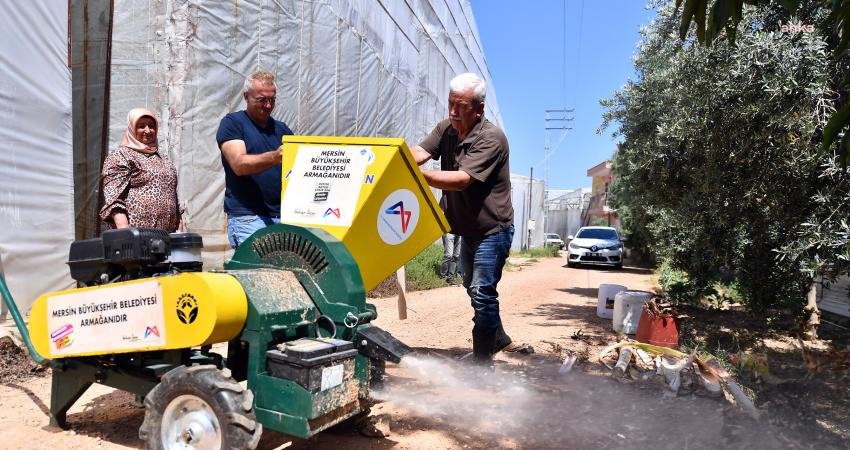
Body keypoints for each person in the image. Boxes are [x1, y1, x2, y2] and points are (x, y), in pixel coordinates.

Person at [411, 73, 515, 364]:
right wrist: (395, 160)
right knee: (472, 286)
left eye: (461, 106)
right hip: (466, 227)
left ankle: (482, 363)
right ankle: (498, 337)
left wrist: (415, 174)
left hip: (492, 229)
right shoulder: (446, 128)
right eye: (450, 103)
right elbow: (420, 151)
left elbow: (461, 180)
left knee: (482, 291)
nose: (453, 111)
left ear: (478, 109)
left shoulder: (492, 138)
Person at [216, 71, 294, 248]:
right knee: (256, 265)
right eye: (261, 100)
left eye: (272, 100)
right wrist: (275, 157)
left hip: (281, 216)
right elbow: (239, 165)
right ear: (246, 96)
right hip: (248, 218)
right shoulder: (233, 123)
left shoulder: (282, 130)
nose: (268, 105)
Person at [100, 108, 181, 232]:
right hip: (136, 236)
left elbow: (174, 199)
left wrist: (180, 232)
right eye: (141, 126)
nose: (147, 131)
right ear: (132, 128)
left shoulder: (164, 160)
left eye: (151, 126)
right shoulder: (121, 156)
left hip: (166, 237)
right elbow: (113, 199)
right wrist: (126, 234)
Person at [439, 195, 461, 285]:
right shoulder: (445, 197)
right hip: (448, 231)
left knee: (456, 255)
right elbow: (440, 213)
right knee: (448, 255)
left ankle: (450, 278)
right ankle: (442, 276)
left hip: (459, 231)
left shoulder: (461, 197)